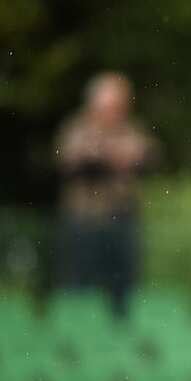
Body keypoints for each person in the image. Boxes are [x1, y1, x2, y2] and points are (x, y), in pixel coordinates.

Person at [54, 72, 156, 318]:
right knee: (80, 285)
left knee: (124, 288)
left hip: (121, 219)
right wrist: (111, 157)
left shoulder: (130, 128)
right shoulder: (78, 128)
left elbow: (146, 154)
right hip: (85, 220)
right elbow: (70, 160)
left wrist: (106, 156)